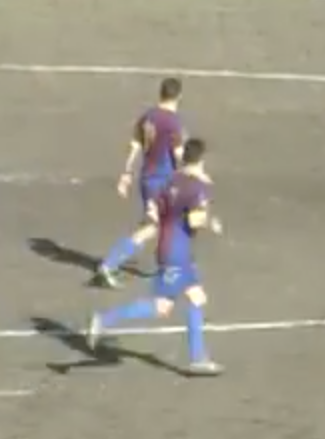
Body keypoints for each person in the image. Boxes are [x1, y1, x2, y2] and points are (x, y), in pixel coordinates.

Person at [87, 139, 224, 377]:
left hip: (166, 247)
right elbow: (194, 220)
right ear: (201, 161)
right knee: (181, 302)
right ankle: (105, 320)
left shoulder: (171, 180)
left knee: (182, 301)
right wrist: (211, 221)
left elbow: (154, 209)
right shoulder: (198, 187)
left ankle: (198, 358)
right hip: (178, 253)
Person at [93, 77, 186, 288]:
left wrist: (126, 173)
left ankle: (166, 266)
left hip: (147, 178)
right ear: (179, 96)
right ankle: (109, 265)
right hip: (162, 182)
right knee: (153, 227)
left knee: (161, 224)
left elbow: (134, 146)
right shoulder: (173, 122)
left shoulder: (147, 117)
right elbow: (179, 154)